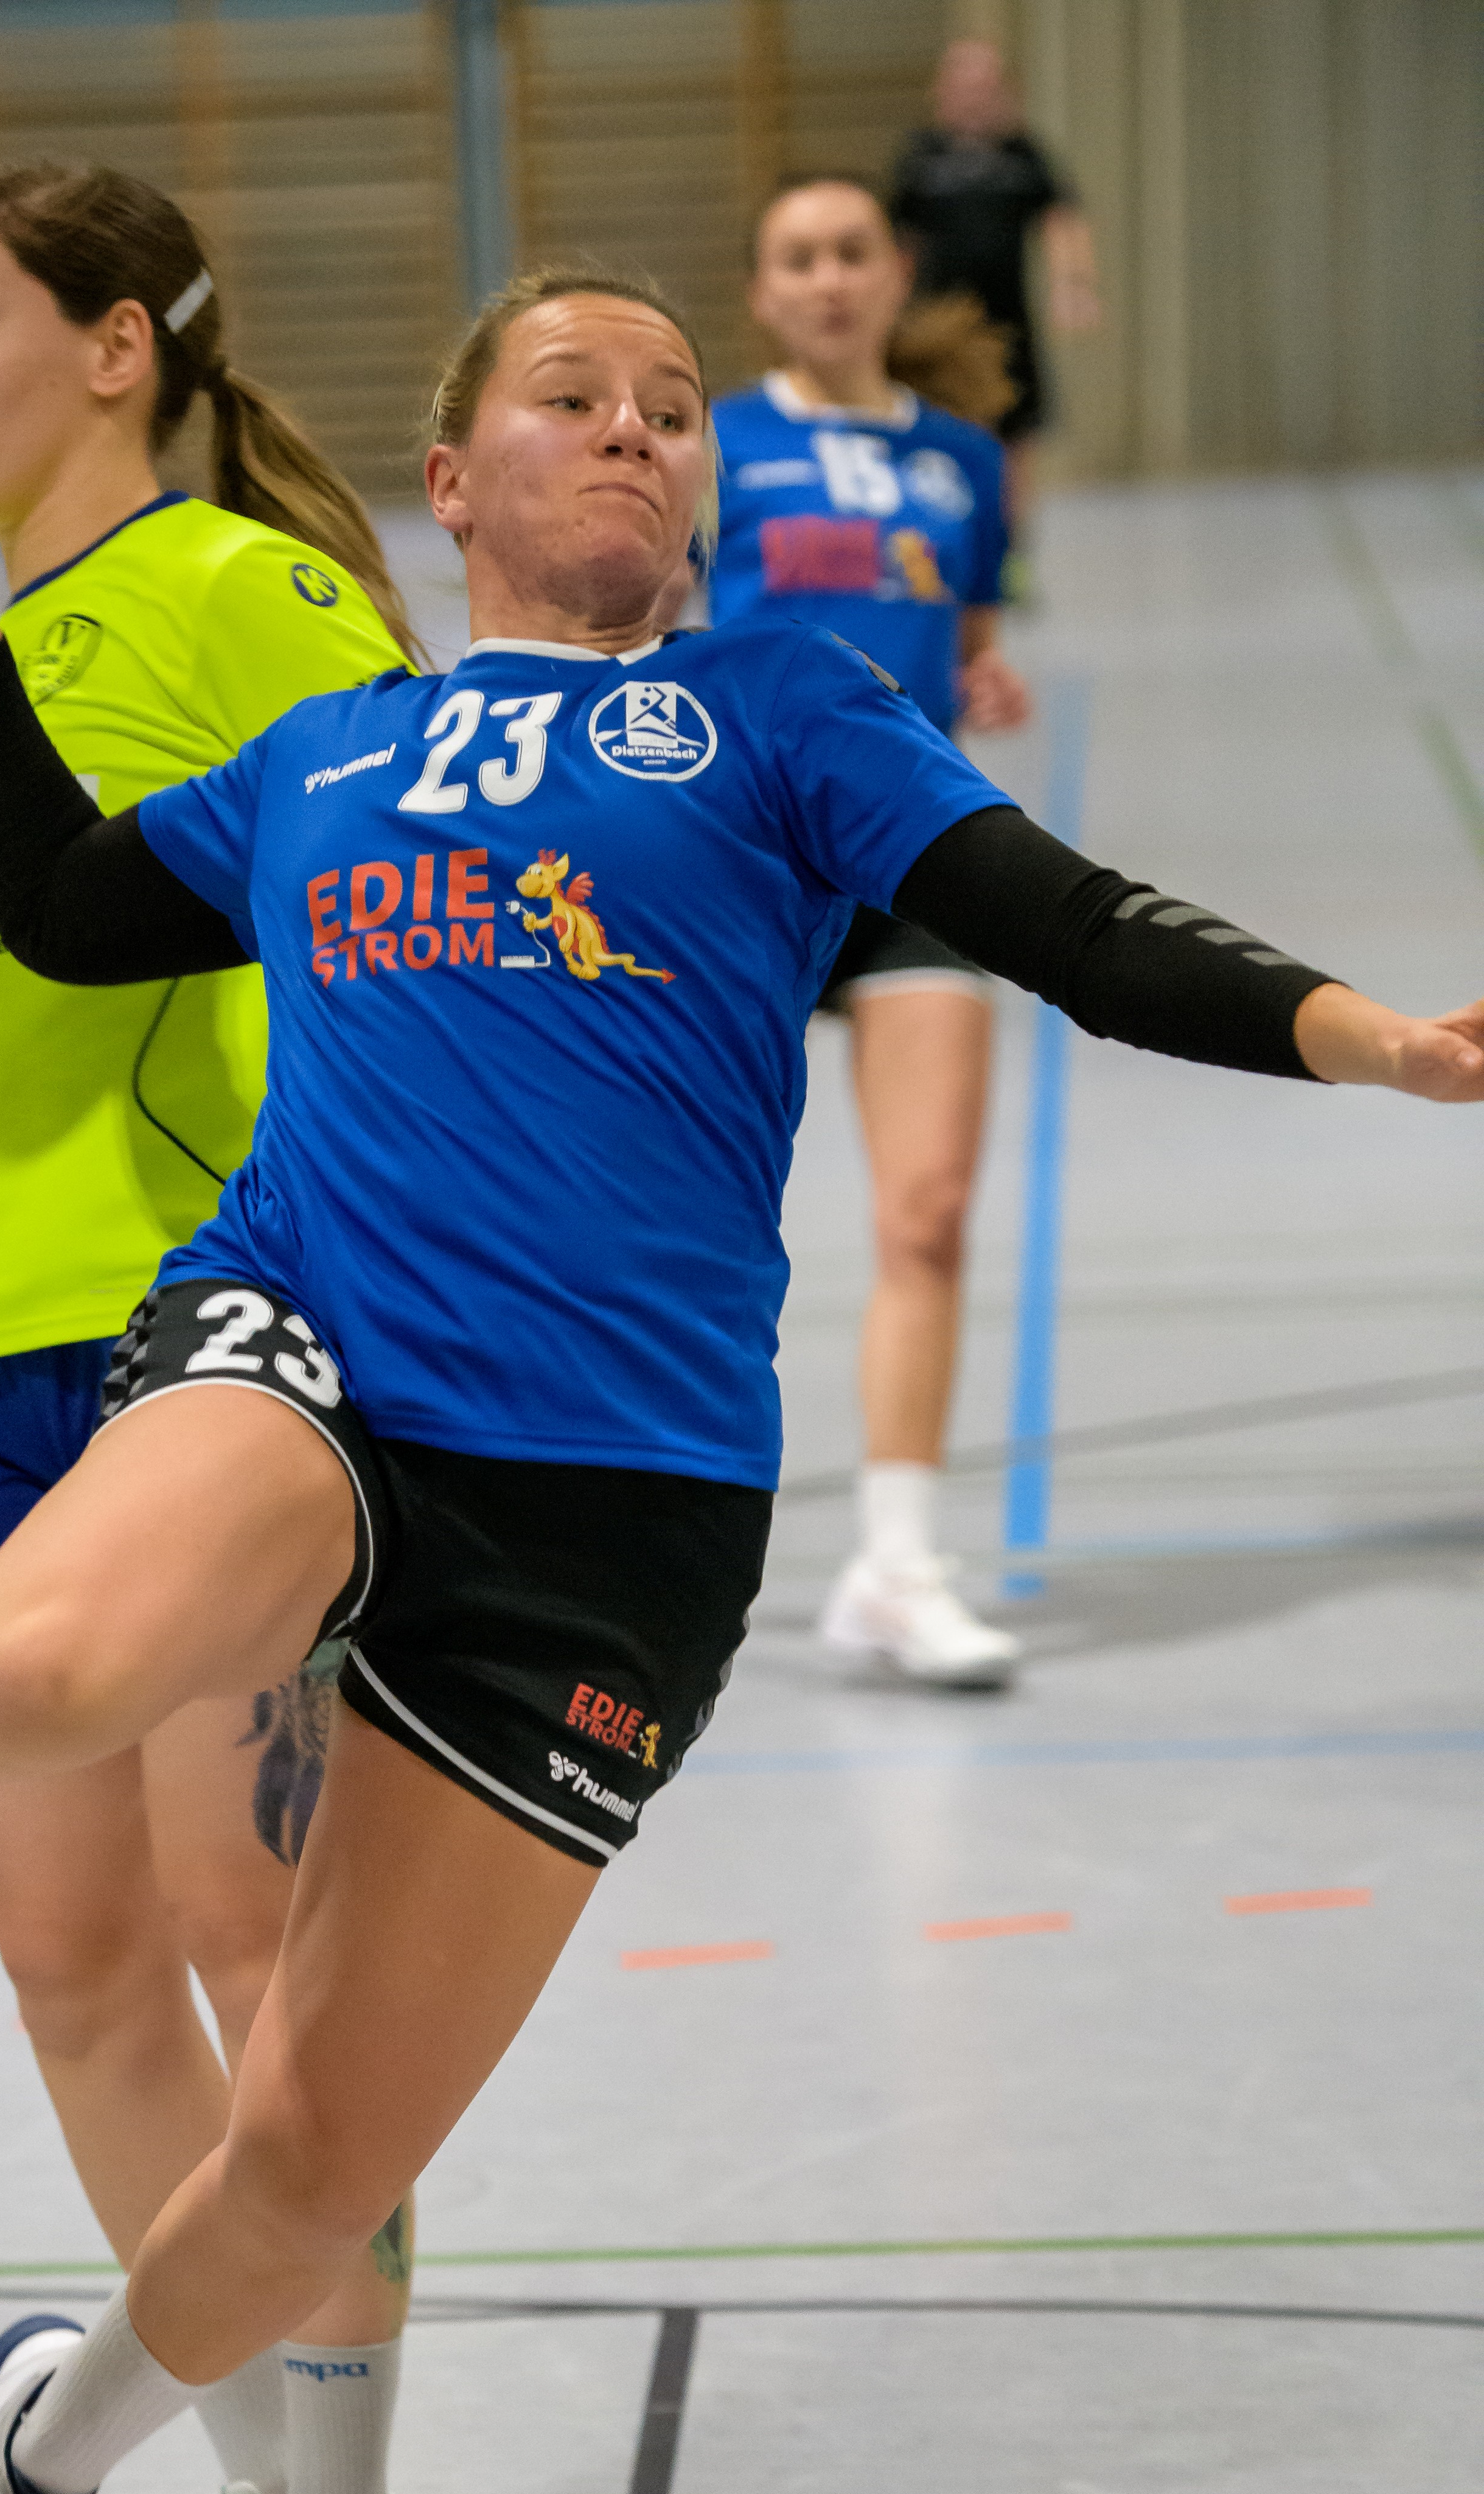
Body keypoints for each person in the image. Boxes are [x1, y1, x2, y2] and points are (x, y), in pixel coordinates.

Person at [0, 270, 1482, 2494]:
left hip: (616, 1508)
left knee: (307, 2169)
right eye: (572, 397)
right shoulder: (335, 751)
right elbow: (65, 901)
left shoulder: (782, 717)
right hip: (310, 1344)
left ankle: (42, 2459)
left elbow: (1067, 924)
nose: (635, 431)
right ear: (454, 481)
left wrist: (1372, 1034)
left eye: (669, 410)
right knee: (51, 1665)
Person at [714, 172, 1028, 1685]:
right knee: (671, 1207)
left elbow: (964, 634)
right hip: (737, 858)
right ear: (762, 293)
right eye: (799, 258)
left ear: (893, 274)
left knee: (927, 1212)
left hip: (908, 849)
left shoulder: (964, 460)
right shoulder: (713, 441)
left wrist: (976, 680)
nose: (829, 279)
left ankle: (897, 1568)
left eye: (851, 252)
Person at [889, 37, 1099, 548]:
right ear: (942, 91)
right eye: (963, 85)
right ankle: (952, 538)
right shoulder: (922, 158)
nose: (974, 96)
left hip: (1010, 324)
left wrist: (1074, 285)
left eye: (984, 85)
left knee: (1015, 440)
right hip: (942, 328)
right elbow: (900, 242)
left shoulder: (1024, 156)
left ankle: (1011, 549)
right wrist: (891, 307)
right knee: (944, 432)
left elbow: (1062, 223)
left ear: (1005, 92)